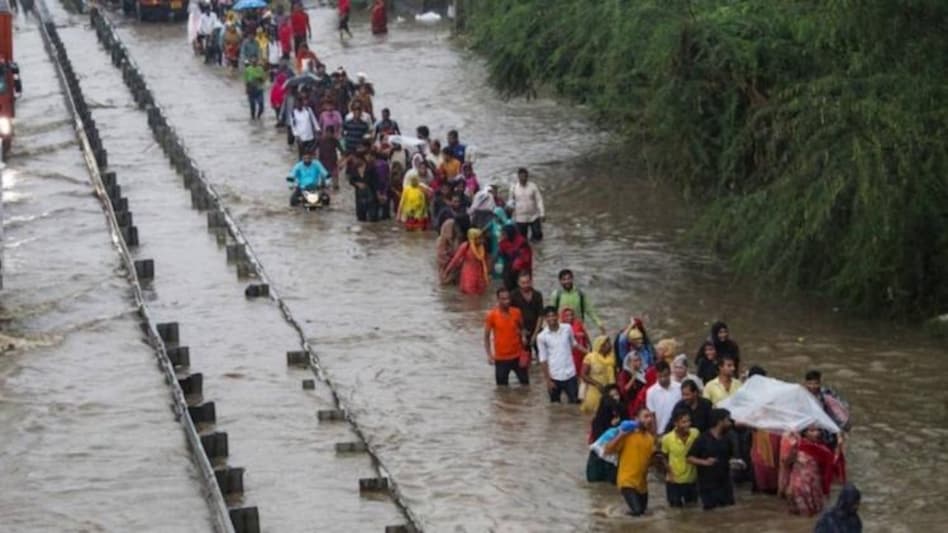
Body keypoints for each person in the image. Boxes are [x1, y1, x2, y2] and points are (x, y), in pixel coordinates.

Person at [604, 408, 657, 517]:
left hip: (642, 484)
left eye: (650, 416)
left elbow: (650, 461)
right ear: (636, 419)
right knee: (637, 512)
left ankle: (615, 515)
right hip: (626, 481)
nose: (649, 419)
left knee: (643, 513)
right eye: (646, 416)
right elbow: (607, 450)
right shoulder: (627, 435)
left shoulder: (650, 439)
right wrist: (621, 435)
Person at [780, 425, 840, 517]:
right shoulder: (798, 446)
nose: (816, 433)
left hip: (813, 487)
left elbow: (831, 467)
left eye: (817, 430)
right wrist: (793, 451)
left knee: (812, 514)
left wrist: (838, 447)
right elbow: (786, 463)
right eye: (811, 431)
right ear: (805, 433)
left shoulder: (822, 449)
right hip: (798, 487)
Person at [687, 408, 737, 510]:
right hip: (708, 484)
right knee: (710, 512)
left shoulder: (727, 438)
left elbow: (730, 456)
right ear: (720, 421)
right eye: (727, 420)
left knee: (728, 511)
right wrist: (705, 462)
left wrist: (734, 463)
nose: (730, 422)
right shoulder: (703, 439)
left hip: (725, 483)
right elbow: (689, 458)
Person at [537, 306, 585, 403]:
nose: (551, 318)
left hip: (570, 374)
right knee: (555, 406)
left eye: (553, 315)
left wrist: (589, 353)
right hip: (554, 376)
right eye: (548, 316)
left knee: (575, 404)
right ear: (545, 319)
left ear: (558, 316)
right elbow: (543, 359)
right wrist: (548, 381)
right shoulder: (541, 337)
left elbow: (574, 344)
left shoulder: (567, 328)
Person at [484, 288, 528, 386]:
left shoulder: (517, 312)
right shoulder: (492, 315)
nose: (507, 301)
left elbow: (522, 328)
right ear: (498, 300)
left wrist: (524, 336)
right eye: (503, 299)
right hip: (501, 358)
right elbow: (486, 337)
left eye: (508, 298)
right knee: (501, 389)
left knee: (525, 385)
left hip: (518, 355)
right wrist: (489, 355)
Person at [586, 385, 625, 483]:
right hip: (598, 458)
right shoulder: (598, 420)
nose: (615, 398)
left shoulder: (623, 415)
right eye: (612, 396)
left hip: (614, 460)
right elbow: (600, 440)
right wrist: (611, 427)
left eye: (617, 394)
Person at [804, 370, 851, 450]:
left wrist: (840, 434)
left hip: (827, 433)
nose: (812, 387)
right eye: (810, 384)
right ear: (805, 384)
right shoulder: (802, 395)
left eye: (815, 383)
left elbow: (839, 416)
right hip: (808, 430)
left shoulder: (826, 397)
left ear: (820, 383)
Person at [661, 409, 700, 507]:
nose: (687, 424)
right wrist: (669, 473)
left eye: (689, 421)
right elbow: (663, 457)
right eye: (684, 422)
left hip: (692, 479)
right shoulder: (667, 439)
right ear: (675, 423)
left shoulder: (695, 433)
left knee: (692, 509)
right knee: (675, 511)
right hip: (674, 481)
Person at [551, 269, 605, 335]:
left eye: (569, 279)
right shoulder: (556, 295)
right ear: (560, 281)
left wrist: (599, 323)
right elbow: (551, 314)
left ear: (572, 279)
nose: (567, 281)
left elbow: (590, 311)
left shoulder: (580, 294)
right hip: (562, 330)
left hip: (578, 329)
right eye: (564, 279)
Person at [442, 228, 490, 295]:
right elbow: (455, 259)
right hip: (468, 274)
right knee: (469, 296)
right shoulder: (465, 246)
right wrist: (447, 271)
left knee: (480, 294)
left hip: (480, 275)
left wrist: (486, 275)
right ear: (473, 238)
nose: (481, 240)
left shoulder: (481, 247)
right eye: (479, 238)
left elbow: (485, 261)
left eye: (481, 238)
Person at [580, 336, 617, 415]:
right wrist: (597, 384)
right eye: (607, 344)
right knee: (594, 415)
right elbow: (583, 375)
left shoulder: (611, 358)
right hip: (595, 391)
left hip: (609, 391)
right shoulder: (590, 357)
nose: (610, 346)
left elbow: (615, 375)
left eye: (609, 343)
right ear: (601, 346)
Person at [645, 361, 681, 435]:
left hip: (679, 430)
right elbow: (652, 415)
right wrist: (655, 434)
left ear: (670, 373)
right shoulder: (651, 392)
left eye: (665, 376)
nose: (663, 379)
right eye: (660, 376)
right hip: (661, 432)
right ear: (656, 375)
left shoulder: (679, 387)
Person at [510, 272, 544, 348]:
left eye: (527, 282)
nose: (525, 285)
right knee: (524, 358)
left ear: (531, 282)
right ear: (518, 283)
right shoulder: (513, 295)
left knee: (542, 357)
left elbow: (540, 316)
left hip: (536, 330)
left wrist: (535, 334)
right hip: (520, 332)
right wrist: (522, 333)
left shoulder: (537, 295)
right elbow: (511, 316)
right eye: (523, 283)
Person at [510, 168, 545, 242]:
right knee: (522, 240)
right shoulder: (514, 188)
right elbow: (511, 202)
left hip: (534, 216)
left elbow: (539, 200)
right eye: (522, 176)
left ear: (527, 177)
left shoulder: (533, 186)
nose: (524, 178)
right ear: (518, 177)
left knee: (538, 236)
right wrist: (511, 216)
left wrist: (542, 213)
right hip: (520, 218)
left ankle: (538, 251)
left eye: (525, 176)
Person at [497, 225, 532, 291]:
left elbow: (525, 258)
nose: (502, 235)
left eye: (504, 234)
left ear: (510, 233)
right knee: (508, 288)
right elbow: (501, 254)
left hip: (520, 270)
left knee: (522, 288)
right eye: (502, 233)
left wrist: (515, 267)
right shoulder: (503, 241)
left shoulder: (522, 242)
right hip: (508, 268)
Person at [347, 155, 380, 222]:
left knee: (373, 216)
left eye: (356, 159)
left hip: (371, 193)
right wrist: (357, 184)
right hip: (359, 194)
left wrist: (378, 193)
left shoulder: (370, 168)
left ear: (361, 159)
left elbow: (376, 181)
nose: (354, 161)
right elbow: (351, 180)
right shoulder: (354, 168)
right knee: (361, 216)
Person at [560, 308, 590, 377]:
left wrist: (589, 345)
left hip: (582, 352)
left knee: (583, 373)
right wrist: (576, 335)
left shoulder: (578, 323)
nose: (570, 317)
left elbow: (585, 334)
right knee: (573, 373)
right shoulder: (561, 327)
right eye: (567, 316)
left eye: (571, 315)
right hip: (571, 354)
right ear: (563, 317)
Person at [617, 351, 647, 418]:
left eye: (639, 360)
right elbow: (624, 390)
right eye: (635, 360)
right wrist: (633, 376)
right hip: (632, 403)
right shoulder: (624, 374)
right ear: (629, 362)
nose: (638, 362)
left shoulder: (642, 372)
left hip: (643, 402)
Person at [436, 218, 461, 284]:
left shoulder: (455, 240)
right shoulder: (441, 241)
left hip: (454, 270)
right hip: (446, 270)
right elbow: (441, 257)